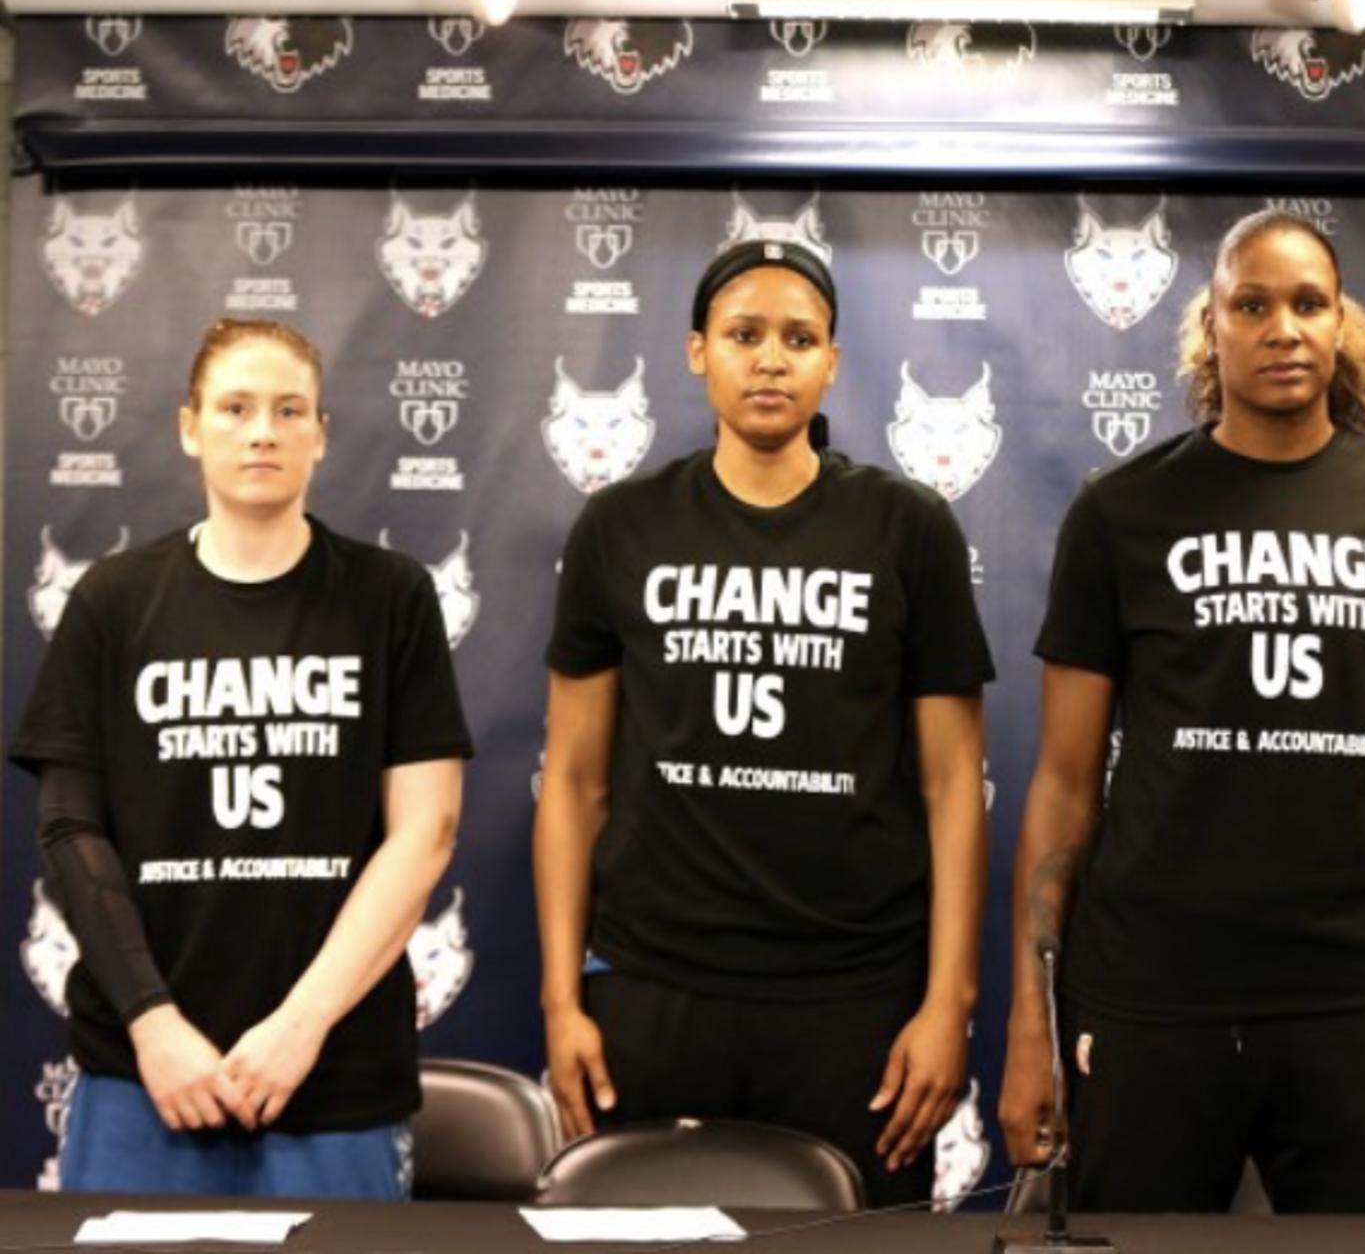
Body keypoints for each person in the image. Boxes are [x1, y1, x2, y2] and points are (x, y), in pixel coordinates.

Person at [998, 208, 1365, 1212]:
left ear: (1341, 327)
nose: (1283, 327)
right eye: (1252, 304)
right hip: (1151, 991)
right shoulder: (1121, 513)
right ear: (1211, 329)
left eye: (1307, 303)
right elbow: (1062, 781)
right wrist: (1031, 1021)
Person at [536, 240, 992, 1206]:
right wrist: (562, 996)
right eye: (745, 334)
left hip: (854, 995)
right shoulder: (622, 524)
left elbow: (955, 783)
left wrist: (948, 1001)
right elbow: (574, 780)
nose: (772, 358)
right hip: (655, 990)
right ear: (699, 351)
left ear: (833, 361)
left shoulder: (908, 527)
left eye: (800, 337)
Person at [11, 318, 472, 1198]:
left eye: (289, 408)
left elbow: (427, 832)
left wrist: (301, 1026)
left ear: (320, 433)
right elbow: (71, 829)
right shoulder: (112, 599)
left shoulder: (391, 597)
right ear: (191, 426)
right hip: (145, 1073)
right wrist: (154, 1025)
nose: (262, 429)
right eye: (235, 407)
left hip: (330, 1069)